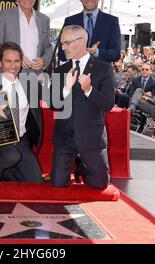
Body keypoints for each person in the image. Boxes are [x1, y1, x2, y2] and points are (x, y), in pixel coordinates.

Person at [51, 25, 115, 189]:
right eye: (62, 43)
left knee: (100, 185)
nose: (63, 47)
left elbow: (108, 104)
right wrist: (66, 88)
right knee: (57, 184)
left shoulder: (104, 69)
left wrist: (89, 90)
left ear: (81, 42)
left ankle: (83, 166)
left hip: (91, 136)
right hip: (65, 137)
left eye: (66, 43)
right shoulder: (60, 71)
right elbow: (53, 104)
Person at [0, 42, 44, 183]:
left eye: (16, 61)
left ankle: (7, 172)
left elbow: (54, 100)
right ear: (0, 62)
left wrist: (67, 87)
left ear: (21, 62)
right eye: (8, 61)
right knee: (12, 156)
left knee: (36, 182)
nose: (13, 66)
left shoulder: (30, 84)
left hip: (22, 140)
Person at [0, 0, 53, 74]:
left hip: (35, 76)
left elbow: (48, 48)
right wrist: (15, 59)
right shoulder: (4, 16)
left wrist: (44, 60)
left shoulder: (44, 20)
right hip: (8, 75)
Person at [58, 0, 121, 64]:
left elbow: (116, 54)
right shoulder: (70, 21)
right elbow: (61, 54)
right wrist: (74, 50)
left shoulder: (111, 21)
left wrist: (97, 52)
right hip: (74, 74)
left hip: (101, 74)